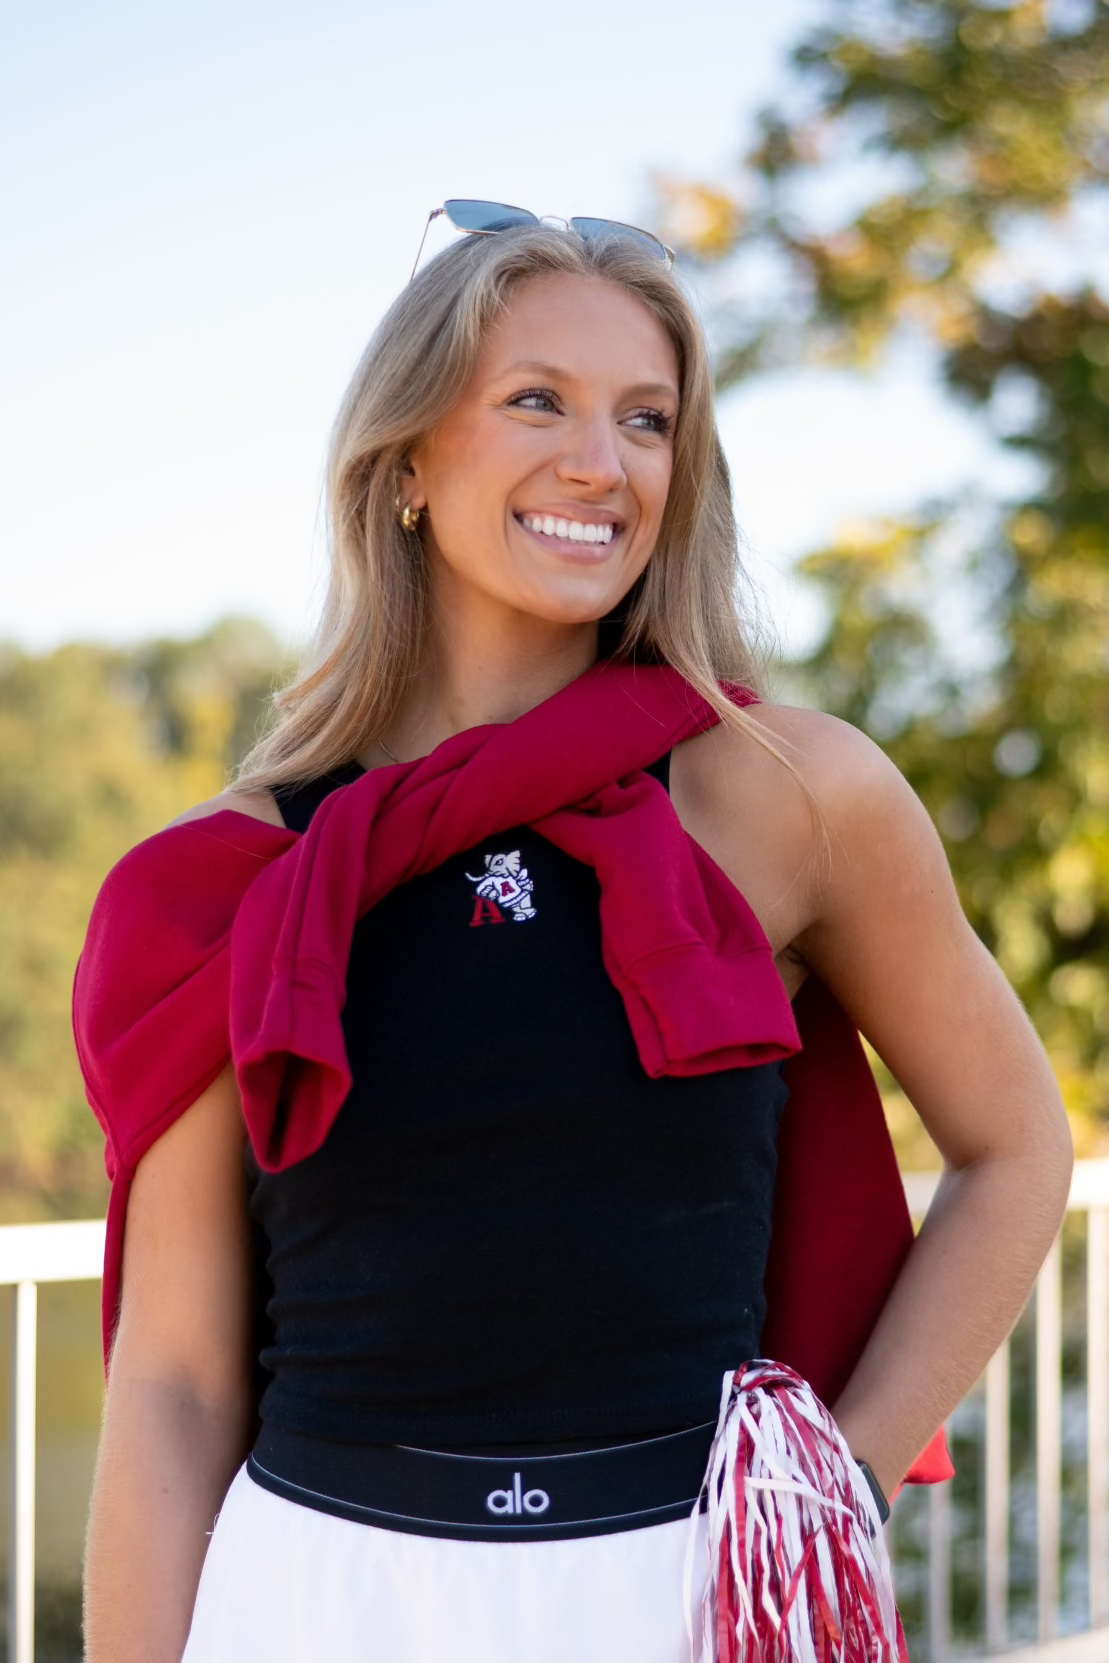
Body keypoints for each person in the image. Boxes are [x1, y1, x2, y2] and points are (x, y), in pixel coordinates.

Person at [76, 206, 1073, 1663]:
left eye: (649, 420)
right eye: (536, 399)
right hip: (323, 1600)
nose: (600, 465)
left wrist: (838, 1482)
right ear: (407, 457)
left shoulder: (792, 796)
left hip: (681, 1591)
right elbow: (172, 1386)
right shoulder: (221, 880)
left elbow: (1015, 1146)